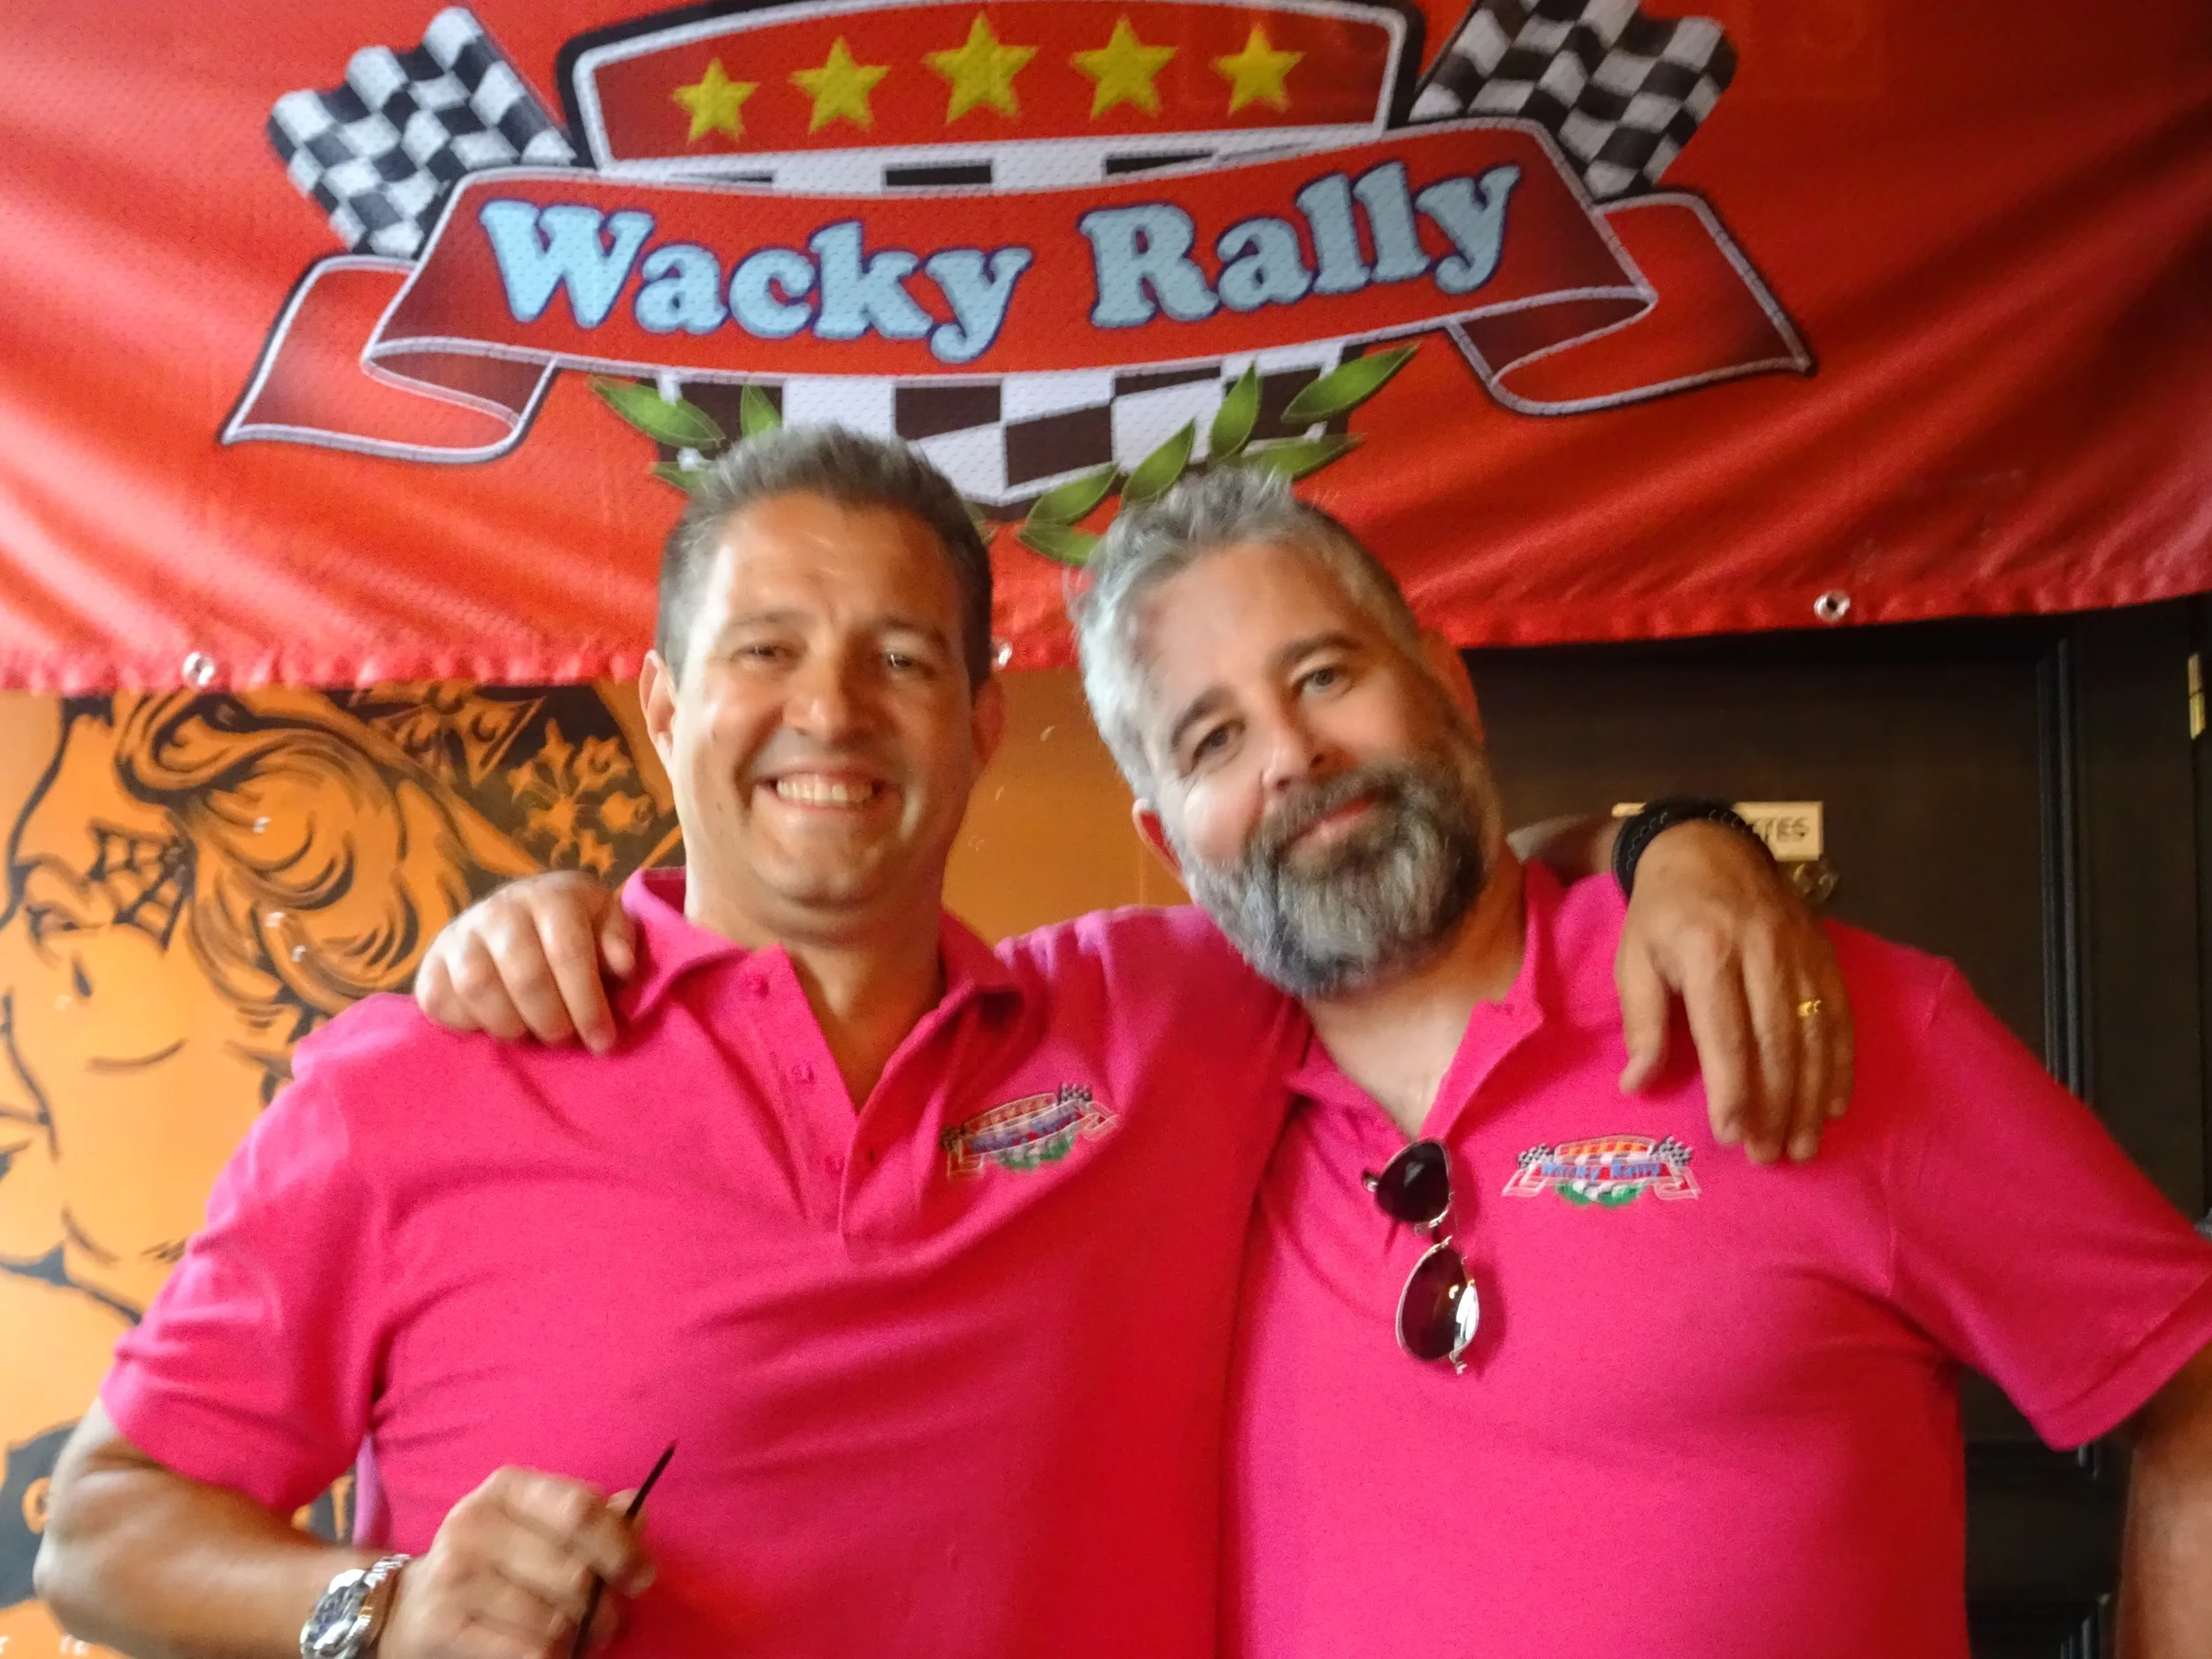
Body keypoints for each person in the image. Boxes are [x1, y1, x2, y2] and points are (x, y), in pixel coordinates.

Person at [35, 428, 1839, 1659]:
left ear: (981, 723)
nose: (828, 708)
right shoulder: (414, 1074)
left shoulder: (1164, 1015)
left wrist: (1676, 839)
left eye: (899, 658)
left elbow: (1427, 883)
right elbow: (101, 1530)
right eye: (765, 651)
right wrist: (381, 1609)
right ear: (667, 710)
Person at [404, 462, 2212, 1655]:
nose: (1293, 760)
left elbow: (2186, 1392)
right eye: (1212, 736)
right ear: (1162, 829)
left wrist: (1677, 839)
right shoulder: (1151, 1061)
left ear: (1445, 682)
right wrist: (560, 914)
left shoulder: (1805, 1013)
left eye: (1327, 677)